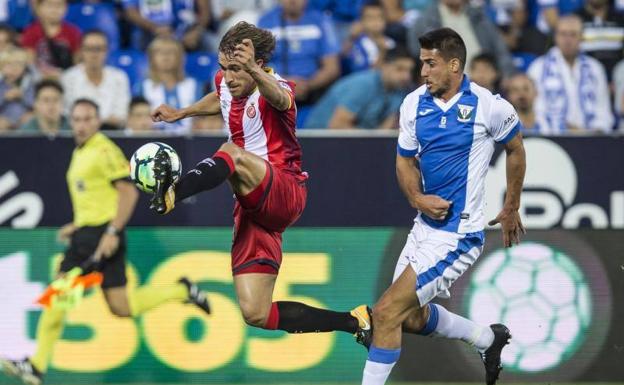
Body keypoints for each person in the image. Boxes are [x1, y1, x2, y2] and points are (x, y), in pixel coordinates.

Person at [150, 21, 371, 341]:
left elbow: (281, 99)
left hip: (284, 189)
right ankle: (355, 322)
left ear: (259, 66)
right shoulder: (226, 82)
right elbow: (219, 96)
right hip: (253, 207)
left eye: (238, 69)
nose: (229, 77)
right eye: (224, 68)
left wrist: (254, 71)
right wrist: (181, 113)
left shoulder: (279, 88)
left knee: (232, 152)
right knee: (256, 311)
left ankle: (175, 192)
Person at [0, 98, 211, 385]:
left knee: (59, 293)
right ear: (70, 121)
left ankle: (36, 366)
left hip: (98, 236)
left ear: (97, 121)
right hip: (90, 231)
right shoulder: (82, 151)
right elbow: (99, 196)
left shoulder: (103, 149)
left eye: (87, 119)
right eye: (76, 119)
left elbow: (128, 193)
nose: (81, 125)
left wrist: (111, 233)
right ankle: (181, 290)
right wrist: (76, 224)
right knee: (121, 306)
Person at [360, 28, 526, 385]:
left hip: (460, 234)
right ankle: (487, 339)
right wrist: (417, 198)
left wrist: (511, 205)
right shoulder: (413, 104)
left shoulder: (488, 105)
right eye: (422, 63)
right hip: (423, 228)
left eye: (430, 63)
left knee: (386, 313)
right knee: (409, 318)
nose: (422, 71)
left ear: (454, 65)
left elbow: (516, 148)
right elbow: (404, 161)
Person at [258, 0, 341, 126]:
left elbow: (332, 67)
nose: (293, 1)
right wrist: (283, 83)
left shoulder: (320, 21)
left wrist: (307, 85)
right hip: (274, 94)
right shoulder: (265, 22)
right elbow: (257, 66)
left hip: (312, 96)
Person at [527, 15, 613, 134]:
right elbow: (536, 111)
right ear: (555, 37)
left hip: (593, 140)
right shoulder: (538, 68)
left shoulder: (595, 68)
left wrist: (590, 132)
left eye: (573, 34)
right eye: (563, 34)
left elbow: (603, 110)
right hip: (553, 138)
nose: (568, 40)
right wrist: (565, 129)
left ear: (582, 37)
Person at [304, 47, 414, 129]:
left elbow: (384, 131)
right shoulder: (364, 84)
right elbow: (337, 125)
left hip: (357, 145)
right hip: (319, 142)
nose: (406, 76)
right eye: (400, 69)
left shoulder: (400, 91)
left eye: (409, 71)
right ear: (384, 66)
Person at [406, 0, 516, 77]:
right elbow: (417, 57)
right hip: (444, 84)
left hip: (482, 84)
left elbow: (501, 52)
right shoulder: (424, 23)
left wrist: (507, 76)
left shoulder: (480, 18)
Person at [61, 30, 131, 130]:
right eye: (89, 49)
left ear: (106, 51)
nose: (94, 54)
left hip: (112, 133)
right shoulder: (69, 78)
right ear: (81, 51)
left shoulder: (119, 77)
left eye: (99, 49)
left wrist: (88, 120)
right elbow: (68, 115)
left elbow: (121, 116)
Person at [138, 36, 202, 134]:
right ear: (151, 58)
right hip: (153, 137)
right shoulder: (143, 86)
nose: (165, 56)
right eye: (160, 52)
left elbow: (201, 116)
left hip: (190, 138)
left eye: (171, 52)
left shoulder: (194, 85)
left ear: (180, 57)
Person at [20, 0, 81, 76]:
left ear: (66, 8)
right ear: (39, 8)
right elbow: (30, 62)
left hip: (67, 77)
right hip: (39, 78)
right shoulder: (30, 31)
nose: (55, 9)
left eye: (59, 5)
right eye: (50, 5)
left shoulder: (73, 32)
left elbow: (77, 63)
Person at [342, 1, 397, 74]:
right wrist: (382, 53)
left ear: (385, 20)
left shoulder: (392, 43)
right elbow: (365, 77)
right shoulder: (356, 45)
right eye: (370, 18)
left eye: (379, 17)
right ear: (361, 21)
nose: (375, 21)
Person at [0, 46, 36, 131]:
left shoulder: (30, 83)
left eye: (19, 64)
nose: (15, 68)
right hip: (3, 121)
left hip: (24, 121)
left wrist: (22, 97)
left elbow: (35, 104)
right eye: (10, 64)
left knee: (30, 119)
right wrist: (5, 98)